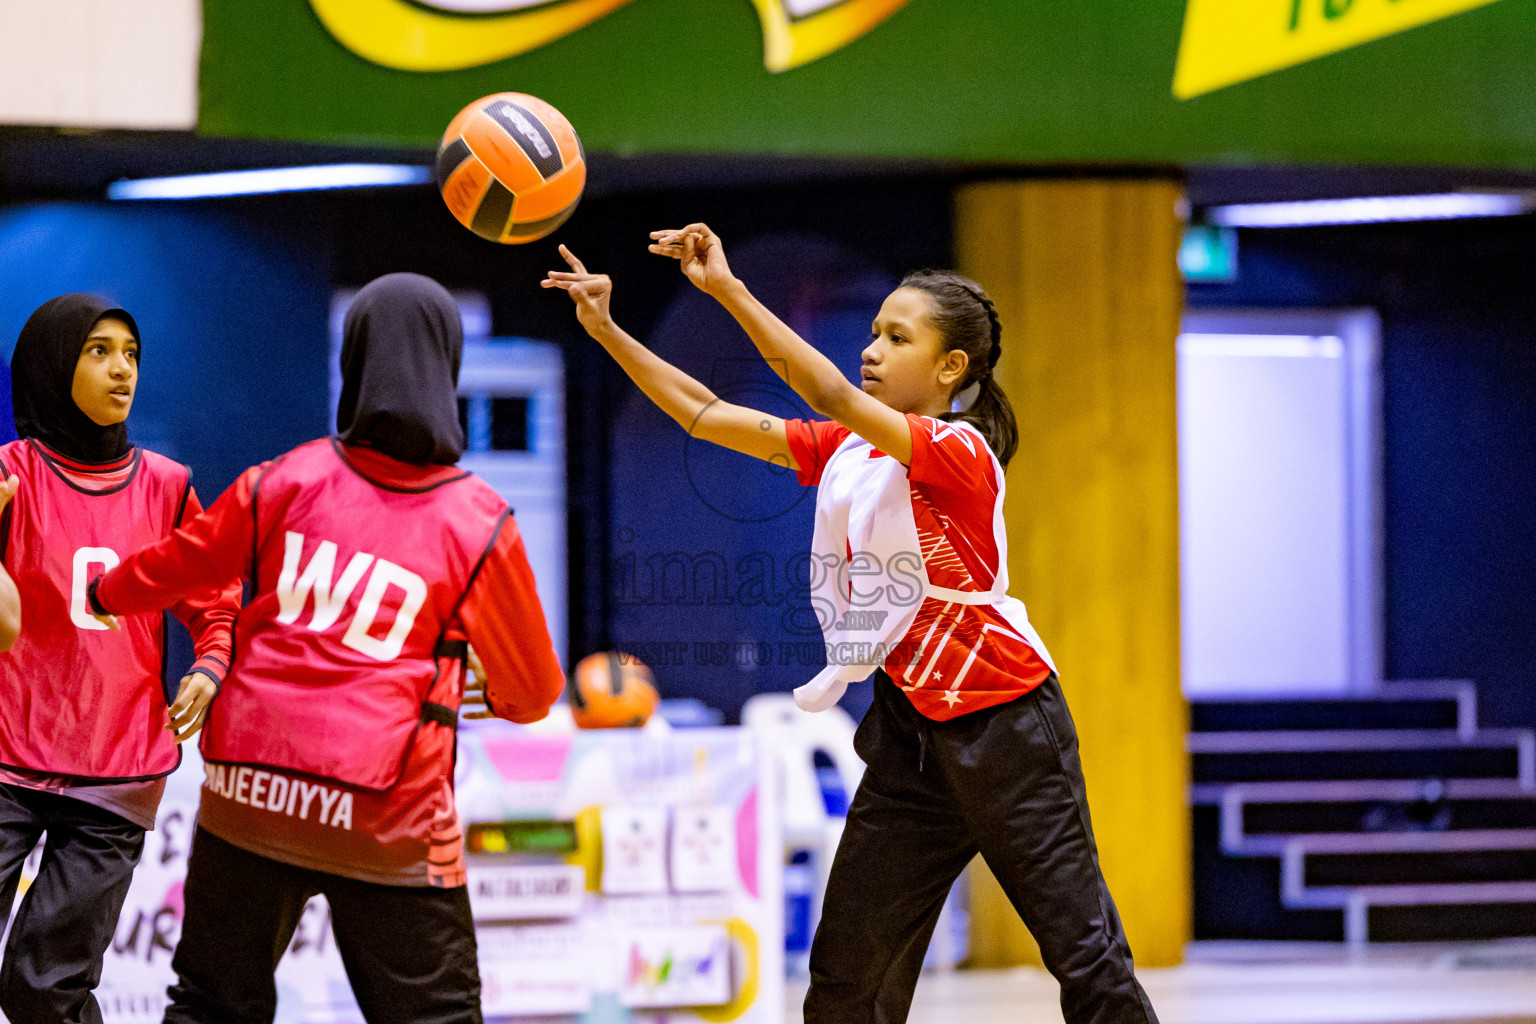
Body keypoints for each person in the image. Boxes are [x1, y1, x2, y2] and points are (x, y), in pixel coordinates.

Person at [544, 229, 1158, 1024]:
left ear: (950, 370)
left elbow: (832, 394)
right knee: (845, 983)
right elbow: (703, 413)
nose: (872, 347)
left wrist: (727, 289)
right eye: (872, 331)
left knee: (1086, 962)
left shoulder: (959, 451)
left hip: (1010, 730)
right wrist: (607, 332)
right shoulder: (847, 455)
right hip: (912, 741)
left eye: (896, 337)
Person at [87, 273, 567, 1024]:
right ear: (448, 365)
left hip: (248, 798)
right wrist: (490, 691)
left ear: (356, 360)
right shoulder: (480, 522)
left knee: (210, 1006)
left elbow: (177, 565)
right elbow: (535, 694)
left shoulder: (286, 478)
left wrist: (100, 594)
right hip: (389, 821)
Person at [0, 294, 239, 1024]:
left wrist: (210, 662)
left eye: (131, 354)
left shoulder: (167, 486)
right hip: (7, 758)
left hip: (118, 774)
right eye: (98, 351)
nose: (121, 370)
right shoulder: (11, 476)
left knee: (45, 986)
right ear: (50, 364)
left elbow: (214, 597)